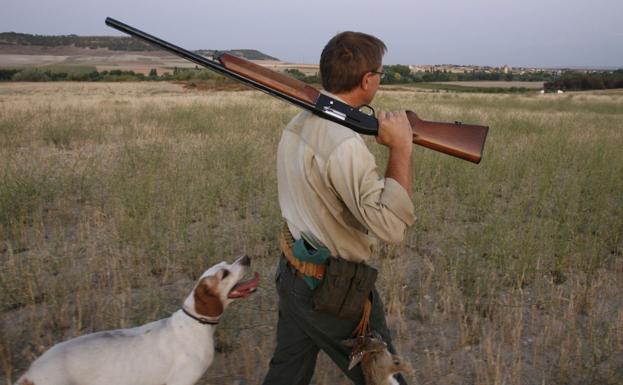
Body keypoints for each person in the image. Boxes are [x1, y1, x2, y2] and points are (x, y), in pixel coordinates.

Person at [262, 31, 416, 385]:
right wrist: (402, 148)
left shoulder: (298, 121)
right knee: (387, 381)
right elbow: (391, 227)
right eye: (380, 74)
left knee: (286, 375)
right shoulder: (345, 144)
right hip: (333, 292)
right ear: (367, 80)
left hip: (293, 273)